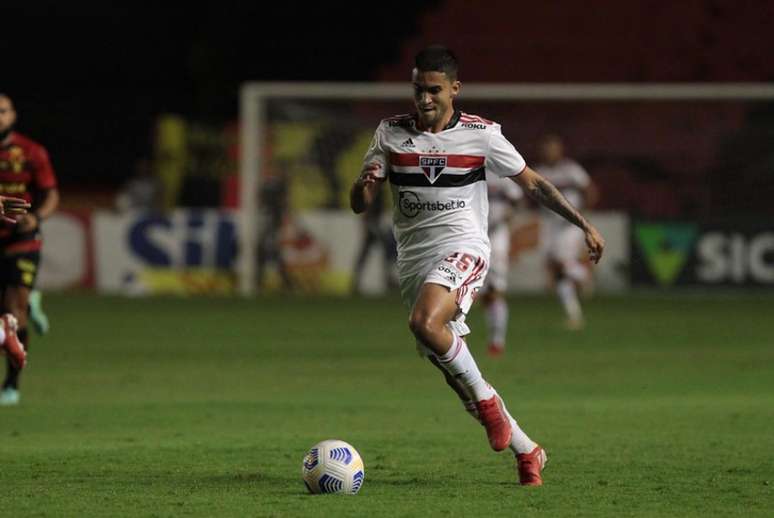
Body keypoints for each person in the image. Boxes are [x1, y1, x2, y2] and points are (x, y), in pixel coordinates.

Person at [349, 46, 604, 486]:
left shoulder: (482, 134)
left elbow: (535, 183)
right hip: (414, 258)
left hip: (465, 247)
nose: (424, 99)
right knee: (451, 368)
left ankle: (490, 408)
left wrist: (583, 224)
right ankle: (528, 451)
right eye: (418, 90)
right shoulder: (389, 133)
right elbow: (361, 201)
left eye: (434, 90)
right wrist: (363, 186)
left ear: (454, 89)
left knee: (424, 322)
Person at [0, 93, 60, 406]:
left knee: (15, 307)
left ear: (13, 115)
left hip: (21, 239)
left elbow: (51, 195)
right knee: (7, 315)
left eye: (2, 111)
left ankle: (11, 383)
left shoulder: (31, 152)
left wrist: (35, 217)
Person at [534, 135, 599, 330]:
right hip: (550, 224)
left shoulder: (571, 169)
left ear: (560, 150)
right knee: (555, 269)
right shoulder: (540, 172)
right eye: (547, 148)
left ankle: (583, 276)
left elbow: (590, 189)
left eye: (553, 148)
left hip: (569, 225)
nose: (550, 152)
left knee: (561, 264)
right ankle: (574, 314)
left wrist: (583, 215)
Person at [480, 172, 524, 357]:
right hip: (474, 237)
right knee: (485, 295)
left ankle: (497, 341)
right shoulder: (469, 169)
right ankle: (494, 340)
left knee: (496, 290)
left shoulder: (501, 176)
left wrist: (504, 218)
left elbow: (517, 201)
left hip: (497, 238)